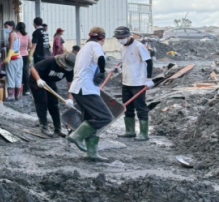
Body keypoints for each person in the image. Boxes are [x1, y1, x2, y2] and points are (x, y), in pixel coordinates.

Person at [66, 27, 112, 162]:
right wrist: (102, 71)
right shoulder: (95, 45)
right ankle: (77, 136)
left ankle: (92, 153)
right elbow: (101, 58)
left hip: (78, 88)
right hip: (86, 88)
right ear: (102, 39)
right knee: (104, 117)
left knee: (90, 119)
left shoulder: (84, 48)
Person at [114, 26, 155, 141]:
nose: (120, 39)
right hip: (126, 81)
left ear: (128, 36)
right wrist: (119, 69)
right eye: (118, 38)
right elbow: (126, 62)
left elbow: (149, 62)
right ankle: (130, 131)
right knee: (127, 106)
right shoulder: (122, 47)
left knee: (140, 107)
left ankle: (144, 133)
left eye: (121, 37)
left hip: (138, 82)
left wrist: (148, 79)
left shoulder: (138, 46)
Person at [29, 52, 76, 136]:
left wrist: (70, 99)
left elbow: (70, 85)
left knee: (54, 104)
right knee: (42, 102)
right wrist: (38, 80)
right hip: (38, 81)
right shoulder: (50, 61)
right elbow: (33, 69)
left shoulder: (69, 69)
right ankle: (44, 127)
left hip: (50, 82)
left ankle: (58, 129)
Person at [4, 21, 23, 100]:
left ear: (11, 26)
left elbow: (11, 47)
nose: (5, 28)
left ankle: (11, 96)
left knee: (10, 76)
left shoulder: (12, 34)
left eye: (6, 27)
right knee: (18, 77)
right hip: (19, 57)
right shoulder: (16, 34)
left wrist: (8, 57)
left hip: (13, 58)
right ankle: (17, 96)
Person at [16, 22, 31, 96]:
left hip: (18, 55)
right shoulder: (27, 35)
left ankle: (19, 89)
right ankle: (26, 89)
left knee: (18, 72)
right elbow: (30, 46)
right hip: (25, 55)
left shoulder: (16, 35)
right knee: (26, 72)